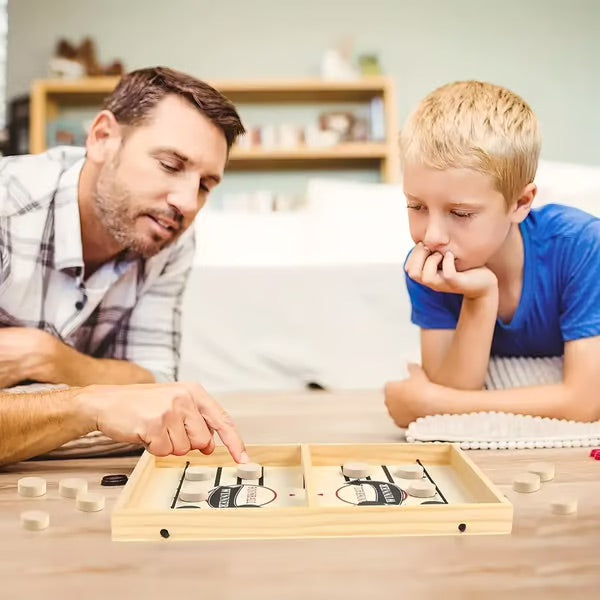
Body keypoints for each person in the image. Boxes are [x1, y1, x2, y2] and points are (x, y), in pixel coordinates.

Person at [0, 66, 249, 465]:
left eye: (205, 185)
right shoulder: (6, 207)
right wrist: (97, 400)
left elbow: (156, 386)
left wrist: (50, 360)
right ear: (103, 139)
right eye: (170, 165)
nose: (187, 203)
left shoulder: (167, 235)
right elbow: (139, 397)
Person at [384, 80, 600, 427]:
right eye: (416, 206)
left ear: (520, 203)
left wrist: (429, 403)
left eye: (461, 213)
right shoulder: (429, 265)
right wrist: (481, 297)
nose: (432, 235)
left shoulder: (582, 245)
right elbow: (452, 390)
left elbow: (585, 402)